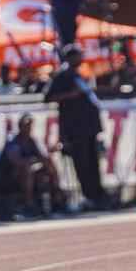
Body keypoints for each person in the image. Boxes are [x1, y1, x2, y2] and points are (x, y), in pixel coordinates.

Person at [44, 43, 109, 211]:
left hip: (88, 129)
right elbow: (48, 97)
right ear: (69, 57)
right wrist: (70, 95)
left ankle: (99, 195)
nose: (81, 58)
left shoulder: (78, 75)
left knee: (93, 163)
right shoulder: (62, 76)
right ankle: (90, 196)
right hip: (75, 130)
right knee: (83, 164)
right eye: (78, 55)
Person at [0, 113, 64, 217]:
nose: (28, 128)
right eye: (26, 125)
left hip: (26, 175)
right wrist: (31, 161)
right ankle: (28, 205)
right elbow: (16, 162)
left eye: (30, 125)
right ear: (20, 126)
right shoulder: (13, 141)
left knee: (49, 166)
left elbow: (40, 158)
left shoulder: (31, 141)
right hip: (6, 177)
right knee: (27, 170)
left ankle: (58, 199)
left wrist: (46, 160)